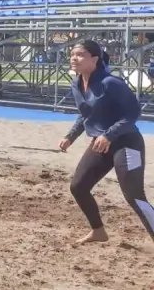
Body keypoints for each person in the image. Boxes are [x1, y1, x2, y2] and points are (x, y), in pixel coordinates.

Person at [58, 40, 154, 245]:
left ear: (95, 59)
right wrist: (70, 137)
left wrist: (109, 134)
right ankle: (98, 231)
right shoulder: (77, 83)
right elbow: (86, 115)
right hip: (100, 143)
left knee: (134, 195)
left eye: (80, 54)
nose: (74, 57)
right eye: (72, 53)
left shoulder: (111, 82)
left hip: (127, 142)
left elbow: (133, 113)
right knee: (79, 187)